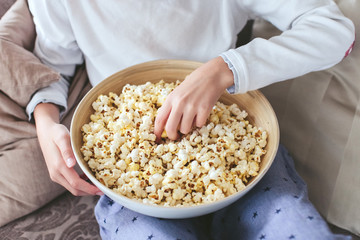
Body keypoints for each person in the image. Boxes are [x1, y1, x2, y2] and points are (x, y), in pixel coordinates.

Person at [21, 0, 355, 239]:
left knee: (294, 226)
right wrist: (46, 122)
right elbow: (54, 65)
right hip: (127, 172)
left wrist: (223, 68)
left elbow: (335, 33)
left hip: (236, 144)